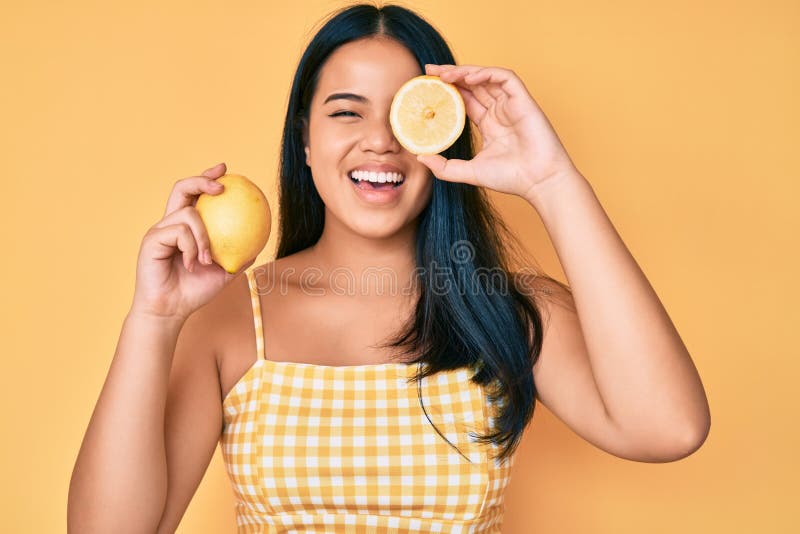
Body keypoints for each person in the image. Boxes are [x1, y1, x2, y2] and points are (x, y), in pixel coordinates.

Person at [68, 3, 710, 533]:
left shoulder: (508, 310)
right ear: (306, 141)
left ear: (444, 134)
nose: (380, 140)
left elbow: (670, 428)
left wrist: (552, 180)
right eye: (347, 111)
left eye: (407, 114)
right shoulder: (230, 316)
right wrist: (153, 320)